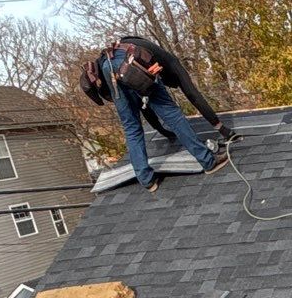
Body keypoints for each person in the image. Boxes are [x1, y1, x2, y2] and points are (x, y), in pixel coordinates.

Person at [80, 36, 237, 191]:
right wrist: (222, 128)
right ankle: (208, 161)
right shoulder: (170, 61)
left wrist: (165, 133)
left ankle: (146, 179)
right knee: (172, 114)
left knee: (132, 128)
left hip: (109, 72)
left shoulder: (126, 48)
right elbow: (192, 93)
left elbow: (145, 109)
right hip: (128, 64)